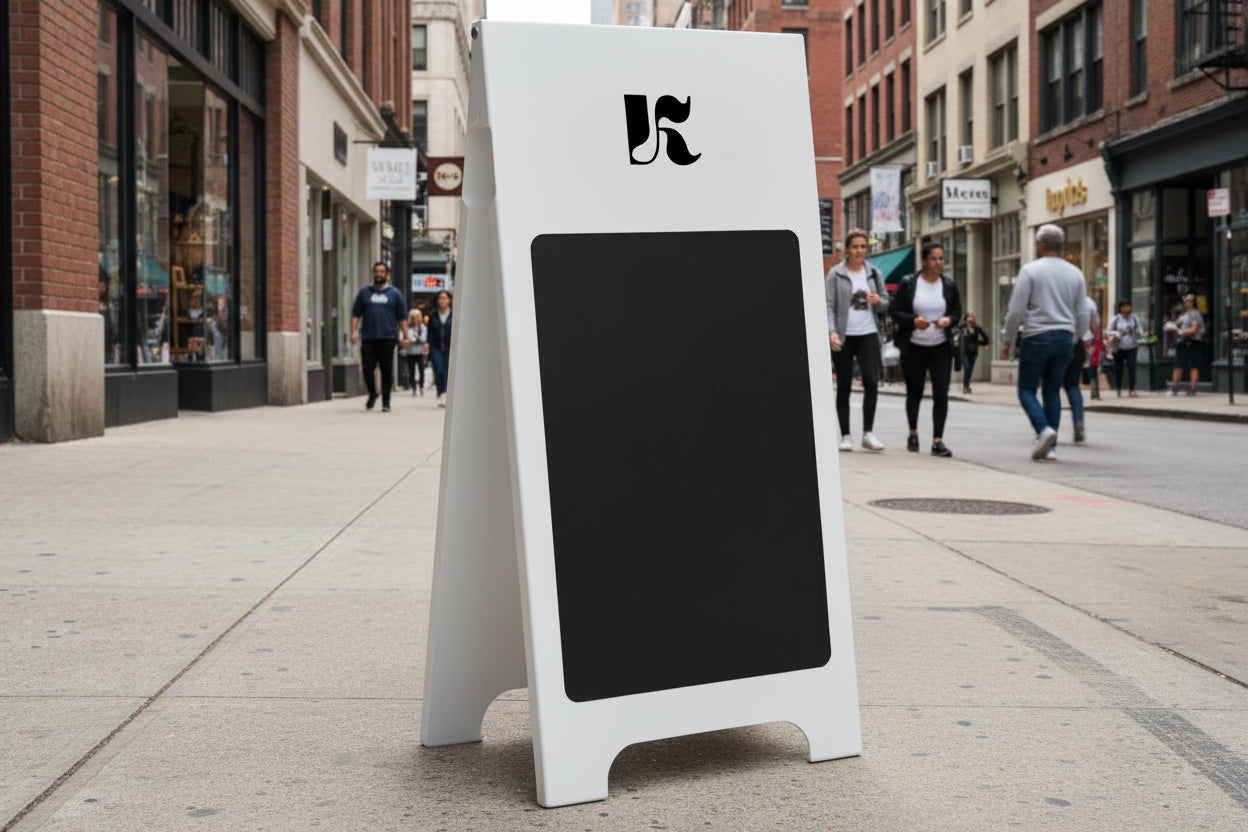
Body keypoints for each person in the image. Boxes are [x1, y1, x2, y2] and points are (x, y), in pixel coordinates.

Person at [1004, 224, 1090, 461]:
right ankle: (1051, 449)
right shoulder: (1075, 273)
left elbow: (1016, 309)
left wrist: (1008, 338)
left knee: (1026, 390)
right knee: (1052, 391)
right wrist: (1076, 337)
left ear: (1040, 245)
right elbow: (1082, 314)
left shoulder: (1030, 270)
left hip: (1037, 336)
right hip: (1065, 337)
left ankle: (1043, 429)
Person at [891, 241, 962, 457]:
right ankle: (913, 433)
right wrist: (914, 321)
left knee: (941, 391)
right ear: (924, 261)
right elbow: (895, 311)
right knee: (915, 392)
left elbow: (958, 312)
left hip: (940, 346)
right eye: (934, 258)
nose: (938, 263)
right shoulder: (909, 283)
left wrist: (948, 320)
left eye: (941, 258)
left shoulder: (949, 285)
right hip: (914, 346)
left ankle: (937, 440)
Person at [825, 229, 889, 452]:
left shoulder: (873, 273)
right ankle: (845, 436)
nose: (859, 250)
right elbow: (829, 306)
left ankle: (868, 433)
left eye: (863, 246)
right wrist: (831, 332)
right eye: (855, 247)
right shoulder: (835, 273)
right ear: (847, 249)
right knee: (844, 386)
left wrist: (877, 300)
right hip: (844, 336)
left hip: (868, 333)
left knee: (871, 381)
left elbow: (886, 304)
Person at [350, 261, 410, 412]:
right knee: (367, 368)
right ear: (373, 274)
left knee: (386, 370)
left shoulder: (395, 294)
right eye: (376, 272)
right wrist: (353, 332)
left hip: (388, 338)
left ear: (387, 275)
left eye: (382, 272)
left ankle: (386, 401)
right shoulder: (364, 292)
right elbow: (356, 313)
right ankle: (372, 393)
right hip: (369, 337)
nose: (379, 274)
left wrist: (405, 336)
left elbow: (402, 317)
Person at [1061, 295, 1101, 445]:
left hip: (1061, 341)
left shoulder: (1059, 298)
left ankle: (1049, 427)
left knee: (1051, 386)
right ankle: (1078, 422)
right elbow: (1094, 326)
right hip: (1079, 343)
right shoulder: (1088, 301)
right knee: (1073, 385)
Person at [1169, 293, 1205, 397]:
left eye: (1189, 301)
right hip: (1182, 342)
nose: (1187, 302)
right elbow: (1177, 325)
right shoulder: (1182, 314)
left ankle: (1192, 389)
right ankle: (1174, 388)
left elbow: (1194, 329)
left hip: (1193, 342)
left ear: (1193, 302)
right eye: (1185, 301)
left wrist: (1181, 332)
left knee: (1193, 366)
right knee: (1178, 365)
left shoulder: (1195, 314)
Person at [1105, 300, 1142, 397]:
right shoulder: (1116, 319)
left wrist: (1138, 332)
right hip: (1119, 346)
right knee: (1119, 368)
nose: (1126, 308)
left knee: (1132, 366)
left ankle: (1132, 389)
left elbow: (1140, 330)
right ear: (1120, 308)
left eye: (1128, 306)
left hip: (1132, 345)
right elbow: (1109, 331)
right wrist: (1116, 334)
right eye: (1124, 306)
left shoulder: (1134, 318)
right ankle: (1118, 388)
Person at [426, 289, 453, 408]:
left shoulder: (454, 314)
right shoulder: (433, 315)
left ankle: (448, 394)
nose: (442, 301)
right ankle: (442, 393)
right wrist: (427, 345)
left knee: (448, 371)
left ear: (449, 300)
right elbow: (430, 332)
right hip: (436, 347)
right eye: (440, 298)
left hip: (450, 347)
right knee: (439, 371)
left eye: (444, 298)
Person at [957, 312, 990, 394]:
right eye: (970, 317)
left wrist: (984, 344)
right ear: (966, 318)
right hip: (964, 351)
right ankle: (965, 387)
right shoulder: (962, 327)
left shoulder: (977, 327)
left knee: (970, 370)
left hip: (973, 352)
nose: (971, 318)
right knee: (967, 368)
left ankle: (967, 386)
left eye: (973, 317)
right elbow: (956, 335)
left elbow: (986, 337)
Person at [403, 309, 428, 396]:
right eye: (414, 317)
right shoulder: (409, 328)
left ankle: (421, 387)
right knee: (412, 371)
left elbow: (424, 338)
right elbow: (410, 338)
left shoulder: (423, 327)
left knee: (421, 370)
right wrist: (415, 340)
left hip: (421, 352)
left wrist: (416, 340)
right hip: (411, 352)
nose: (416, 319)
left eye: (418, 316)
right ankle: (414, 388)